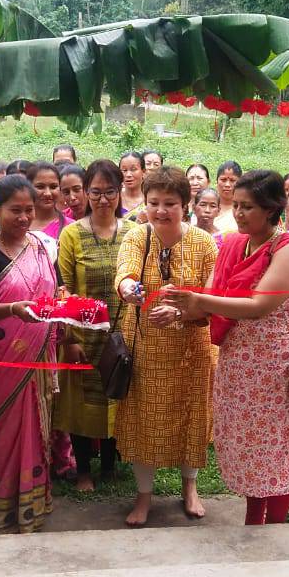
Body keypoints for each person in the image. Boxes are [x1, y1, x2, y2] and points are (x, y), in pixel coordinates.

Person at [165, 170, 289, 526]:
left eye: (247, 207)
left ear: (271, 210)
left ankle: (275, 527)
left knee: (277, 448)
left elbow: (257, 306)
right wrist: (182, 305)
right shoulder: (236, 244)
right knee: (249, 445)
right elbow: (212, 294)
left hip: (275, 365)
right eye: (235, 205)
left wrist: (198, 301)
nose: (237, 213)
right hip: (239, 360)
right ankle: (254, 518)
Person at [0, 175, 70, 531]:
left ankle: (32, 504)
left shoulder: (42, 247)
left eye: (29, 210)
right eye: (15, 210)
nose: (24, 218)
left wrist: (65, 304)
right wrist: (10, 310)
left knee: (36, 426)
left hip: (39, 353)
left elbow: (55, 291)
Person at [115, 166, 217, 527]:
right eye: (154, 202)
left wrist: (180, 313)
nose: (161, 210)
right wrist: (127, 288)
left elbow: (212, 296)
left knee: (191, 418)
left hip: (191, 348)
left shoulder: (204, 243)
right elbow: (124, 275)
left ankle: (190, 487)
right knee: (144, 420)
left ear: (185, 205)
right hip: (144, 347)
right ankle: (144, 496)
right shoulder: (136, 238)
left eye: (170, 203)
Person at [55, 160, 134, 491]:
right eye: (96, 192)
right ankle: (84, 468)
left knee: (117, 394)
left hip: (123, 332)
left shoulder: (133, 232)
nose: (103, 200)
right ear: (86, 193)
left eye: (110, 192)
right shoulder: (72, 234)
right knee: (81, 403)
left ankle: (110, 466)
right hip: (83, 334)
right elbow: (64, 289)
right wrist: (70, 337)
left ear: (120, 193)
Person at [27, 160, 71, 251]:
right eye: (40, 187)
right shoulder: (17, 226)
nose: (47, 193)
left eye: (53, 187)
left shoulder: (71, 228)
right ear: (28, 187)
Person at [214, 160, 242, 235]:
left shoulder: (243, 209)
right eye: (223, 180)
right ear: (217, 181)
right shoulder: (206, 205)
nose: (227, 184)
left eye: (232, 180)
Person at [119, 151, 147, 220]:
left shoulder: (150, 200)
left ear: (143, 172)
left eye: (133, 169)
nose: (128, 174)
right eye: (124, 170)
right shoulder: (114, 198)